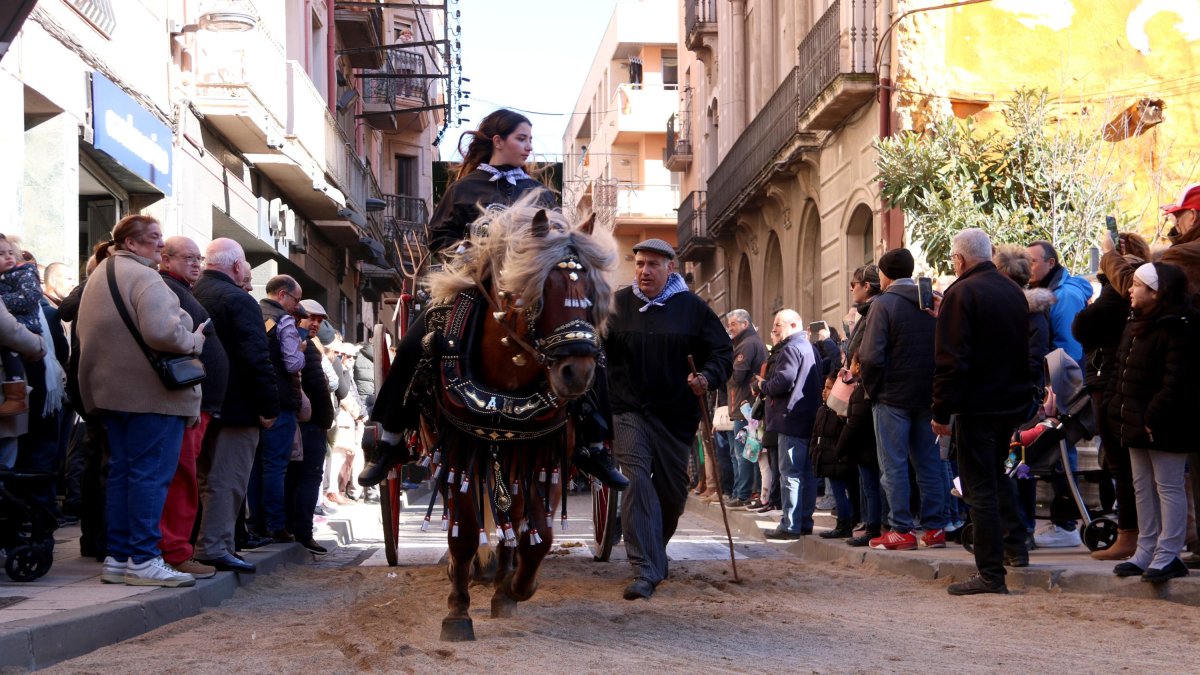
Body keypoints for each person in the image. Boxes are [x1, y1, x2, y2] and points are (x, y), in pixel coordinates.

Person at [76, 214, 207, 587]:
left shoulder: (99, 276)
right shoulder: (145, 277)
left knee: (122, 475)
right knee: (150, 476)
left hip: (109, 394)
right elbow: (164, 332)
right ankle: (145, 559)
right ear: (131, 244)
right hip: (151, 395)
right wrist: (194, 340)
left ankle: (119, 558)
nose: (160, 244)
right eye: (153, 238)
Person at [603, 238, 732, 600]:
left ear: (670, 268)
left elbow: (722, 352)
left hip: (675, 416)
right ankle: (644, 569)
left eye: (653, 265)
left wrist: (706, 377)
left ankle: (654, 550)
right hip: (628, 411)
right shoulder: (618, 304)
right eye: (640, 263)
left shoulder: (692, 309)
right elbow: (597, 350)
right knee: (636, 481)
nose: (644, 271)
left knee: (673, 494)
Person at [932, 228, 1033, 595]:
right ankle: (1014, 546)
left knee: (980, 488)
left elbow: (951, 361)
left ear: (959, 259)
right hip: (1009, 403)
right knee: (996, 477)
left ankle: (991, 573)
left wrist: (941, 412)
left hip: (977, 406)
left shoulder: (961, 293)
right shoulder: (1011, 290)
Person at [1105, 262, 1197, 582]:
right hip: (1135, 420)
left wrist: (1151, 416)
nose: (1130, 290)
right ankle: (1146, 550)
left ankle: (1168, 554)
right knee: (1142, 487)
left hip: (1165, 423)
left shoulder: (1178, 326)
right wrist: (1115, 408)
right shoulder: (1136, 322)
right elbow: (1122, 369)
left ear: (1156, 293)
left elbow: (1177, 380)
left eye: (1138, 285)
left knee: (1168, 487)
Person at [192, 239, 278, 574]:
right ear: (238, 266)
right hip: (236, 406)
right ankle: (214, 546)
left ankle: (213, 543)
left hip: (201, 402)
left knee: (205, 478)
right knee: (228, 479)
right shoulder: (238, 300)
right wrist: (269, 406)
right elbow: (257, 358)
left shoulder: (193, 293)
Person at [858, 248, 947, 550]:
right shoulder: (932, 301)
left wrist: (874, 389)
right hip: (929, 395)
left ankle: (902, 529)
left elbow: (870, 356)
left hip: (892, 396)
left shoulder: (884, 304)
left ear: (884, 274)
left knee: (893, 465)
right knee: (929, 462)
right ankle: (935, 528)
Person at [1074, 234, 1150, 561]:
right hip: (1113, 379)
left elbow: (1083, 326)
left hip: (1110, 381)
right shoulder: (1130, 292)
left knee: (1122, 462)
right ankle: (1138, 534)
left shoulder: (1119, 291)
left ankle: (1131, 534)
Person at [156, 236, 228, 580]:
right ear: (165, 259)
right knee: (181, 477)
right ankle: (174, 551)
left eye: (199, 258)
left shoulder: (182, 289)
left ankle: (174, 548)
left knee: (185, 475)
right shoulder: (166, 289)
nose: (196, 263)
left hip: (198, 403)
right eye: (188, 257)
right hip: (185, 402)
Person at [427, 108, 555, 254]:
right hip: (475, 275)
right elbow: (438, 238)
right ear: (498, 141)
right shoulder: (462, 189)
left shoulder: (541, 193)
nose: (529, 147)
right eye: (521, 138)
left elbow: (559, 238)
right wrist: (472, 259)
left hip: (533, 275)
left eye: (530, 140)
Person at [755, 309, 822, 540]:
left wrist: (764, 385)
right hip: (807, 417)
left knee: (790, 473)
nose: (774, 329)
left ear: (793, 325)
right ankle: (803, 522)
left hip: (791, 418)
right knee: (805, 473)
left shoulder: (791, 348)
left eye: (778, 324)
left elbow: (783, 381)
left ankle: (790, 524)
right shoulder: (809, 347)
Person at [249, 275, 306, 542]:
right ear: (282, 295)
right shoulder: (283, 320)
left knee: (255, 466)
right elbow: (294, 363)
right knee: (275, 466)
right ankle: (276, 524)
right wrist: (302, 349)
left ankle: (256, 523)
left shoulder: (253, 312)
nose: (297, 306)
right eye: (296, 299)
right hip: (280, 400)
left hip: (253, 398)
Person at [287, 299, 336, 554]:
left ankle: (292, 527)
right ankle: (302, 531)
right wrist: (325, 419)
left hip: (301, 420)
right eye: (311, 318)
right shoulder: (304, 345)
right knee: (308, 476)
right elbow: (318, 388)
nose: (315, 323)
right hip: (308, 422)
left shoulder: (304, 342)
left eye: (319, 319)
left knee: (295, 477)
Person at [724, 309, 766, 508]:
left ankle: (743, 494)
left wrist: (723, 373)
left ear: (745, 324)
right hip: (746, 405)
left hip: (745, 406)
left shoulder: (747, 344)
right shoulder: (747, 342)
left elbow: (737, 376)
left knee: (744, 452)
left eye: (733, 324)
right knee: (746, 451)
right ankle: (745, 492)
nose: (730, 328)